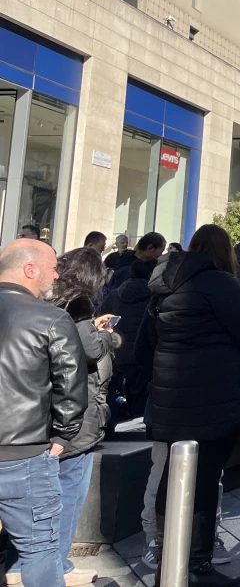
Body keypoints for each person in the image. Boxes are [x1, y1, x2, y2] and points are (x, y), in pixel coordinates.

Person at [143, 225, 240, 587]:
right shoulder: (219, 283)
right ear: (225, 250)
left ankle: (168, 558)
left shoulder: (162, 283)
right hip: (212, 396)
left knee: (173, 475)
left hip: (171, 395)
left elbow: (146, 341)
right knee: (206, 479)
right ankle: (197, 564)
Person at [10, 249, 115, 587]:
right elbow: (80, 364)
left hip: (30, 425)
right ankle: (55, 567)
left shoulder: (40, 304)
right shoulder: (70, 307)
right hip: (55, 431)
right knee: (62, 503)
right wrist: (109, 337)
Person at [0, 239, 87, 587]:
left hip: (25, 451)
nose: (57, 274)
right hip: (25, 455)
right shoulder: (51, 318)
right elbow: (70, 385)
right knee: (39, 552)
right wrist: (64, 435)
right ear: (29, 269)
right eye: (53, 266)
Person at [98, 256, 156, 424]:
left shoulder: (114, 295)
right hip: (144, 354)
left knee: (122, 390)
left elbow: (103, 321)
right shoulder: (153, 296)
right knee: (142, 395)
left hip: (120, 353)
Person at [103, 232, 166, 302]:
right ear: (150, 248)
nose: (161, 256)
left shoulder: (127, 261)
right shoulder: (126, 268)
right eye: (160, 252)